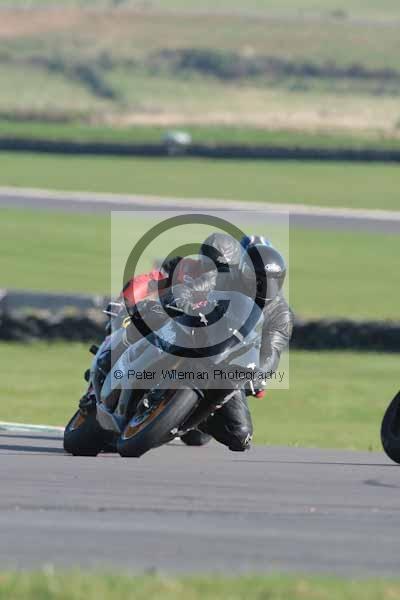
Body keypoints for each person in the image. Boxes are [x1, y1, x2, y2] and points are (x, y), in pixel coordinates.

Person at [191, 234, 294, 452]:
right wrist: (188, 295)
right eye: (256, 276)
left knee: (240, 437)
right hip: (199, 340)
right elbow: (202, 284)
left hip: (230, 367)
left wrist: (257, 376)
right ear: (244, 270)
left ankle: (193, 419)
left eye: (271, 280)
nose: (263, 285)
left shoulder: (281, 315)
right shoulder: (227, 276)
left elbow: (271, 353)